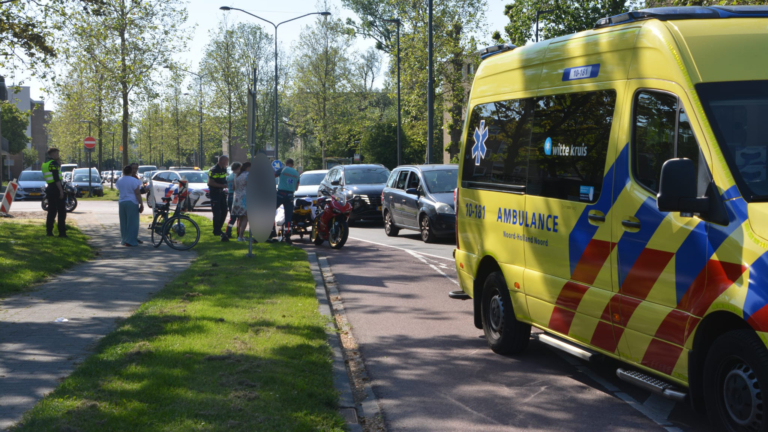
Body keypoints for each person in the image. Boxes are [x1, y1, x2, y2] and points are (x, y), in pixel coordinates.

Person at [116, 165, 144, 247]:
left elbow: (119, 189)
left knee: (123, 222)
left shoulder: (119, 180)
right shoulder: (134, 181)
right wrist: (141, 204)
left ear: (123, 172)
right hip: (132, 202)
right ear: (131, 172)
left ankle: (124, 239)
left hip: (122, 202)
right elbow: (137, 193)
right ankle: (131, 241)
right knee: (132, 223)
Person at [42, 148, 67, 237]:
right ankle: (62, 232)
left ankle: (49, 232)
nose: (58, 155)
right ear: (51, 154)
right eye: (56, 153)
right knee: (61, 211)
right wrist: (61, 191)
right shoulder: (53, 164)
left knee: (51, 211)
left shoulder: (46, 164)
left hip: (50, 188)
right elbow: (56, 178)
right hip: (56, 188)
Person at [273, 158, 300, 244]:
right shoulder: (296, 173)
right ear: (293, 164)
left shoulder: (283, 169)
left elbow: (273, 176)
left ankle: (269, 231)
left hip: (280, 194)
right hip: (290, 196)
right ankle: (287, 235)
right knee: (288, 216)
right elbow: (296, 188)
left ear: (286, 163)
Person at [207, 155, 229, 241]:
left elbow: (223, 179)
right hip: (215, 193)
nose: (227, 164)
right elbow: (210, 183)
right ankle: (216, 230)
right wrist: (223, 186)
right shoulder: (213, 170)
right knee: (217, 213)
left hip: (222, 193)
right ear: (222, 161)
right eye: (226, 162)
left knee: (224, 211)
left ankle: (219, 229)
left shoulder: (224, 169)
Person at [231, 162, 250, 242]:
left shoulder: (236, 176)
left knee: (240, 218)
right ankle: (241, 236)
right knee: (246, 217)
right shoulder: (247, 175)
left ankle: (239, 236)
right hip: (245, 199)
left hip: (237, 198)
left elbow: (234, 187)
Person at [224, 162, 242, 239]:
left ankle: (228, 232)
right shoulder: (238, 176)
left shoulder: (229, 177)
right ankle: (239, 233)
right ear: (238, 168)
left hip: (230, 196)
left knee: (232, 216)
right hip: (237, 196)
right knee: (240, 216)